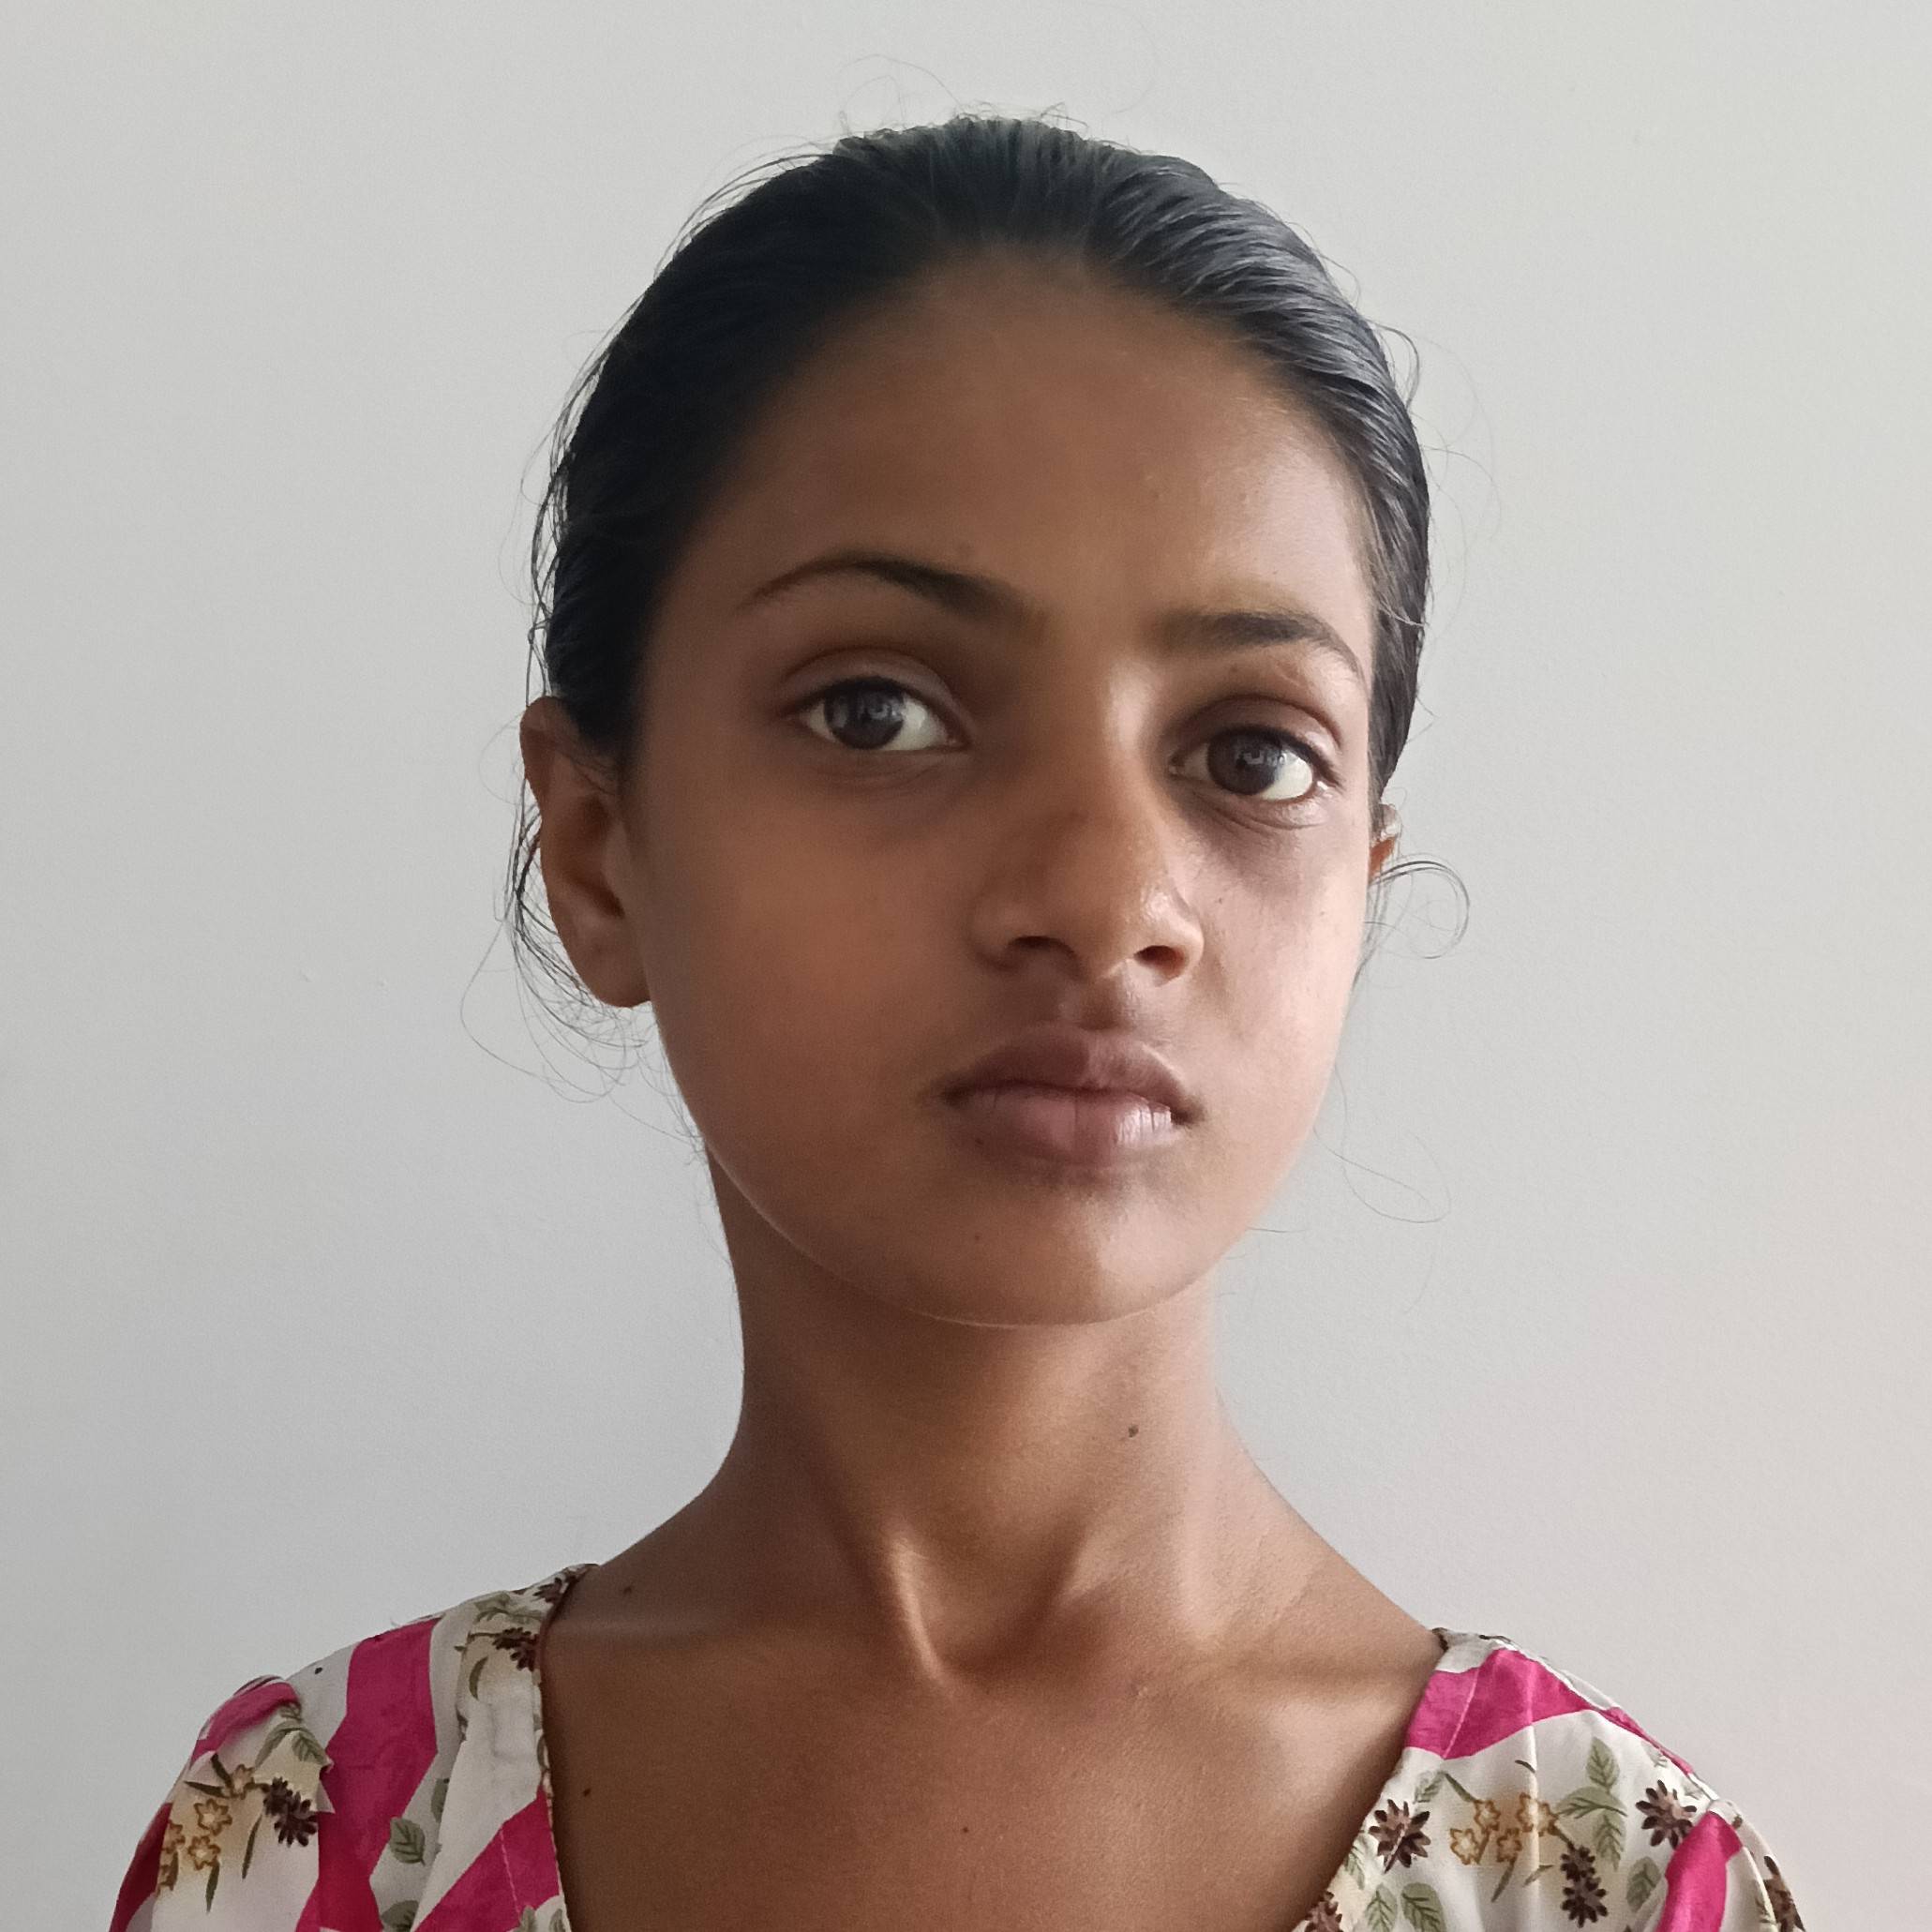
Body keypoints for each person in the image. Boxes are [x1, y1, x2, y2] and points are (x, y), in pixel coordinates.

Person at [112, 112, 1807, 1932]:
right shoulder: (318, 1833)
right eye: (876, 711)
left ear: (1359, 892)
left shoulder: (1607, 1882)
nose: (1104, 892)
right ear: (600, 845)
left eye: (1249, 753)